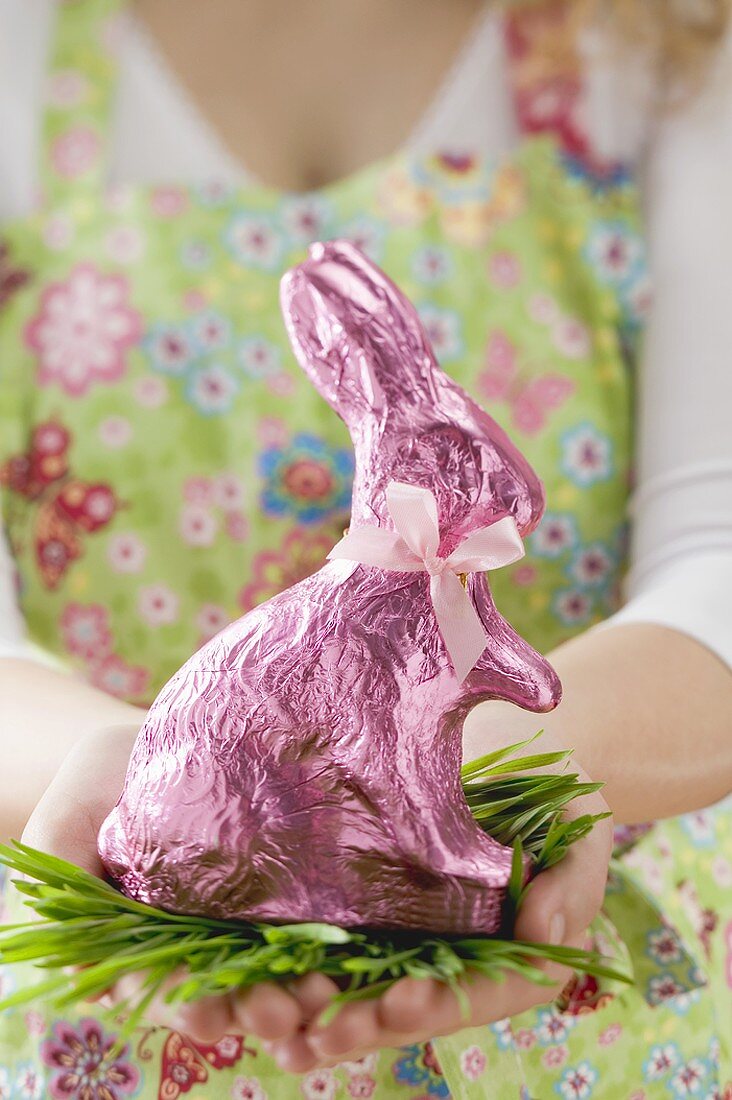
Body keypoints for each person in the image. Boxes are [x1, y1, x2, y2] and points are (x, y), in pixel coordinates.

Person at [1, 0, 731, 1095]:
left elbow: (715, 556)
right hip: (130, 1016)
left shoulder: (660, 46)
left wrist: (517, 769)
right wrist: (127, 770)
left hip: (576, 1016)